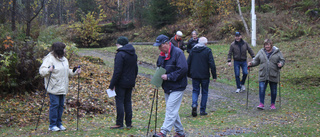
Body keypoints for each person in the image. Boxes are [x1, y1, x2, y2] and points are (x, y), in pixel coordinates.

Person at [39, 42, 81, 131]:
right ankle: (52, 125)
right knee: (55, 105)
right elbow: (42, 71)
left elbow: (66, 72)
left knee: (61, 105)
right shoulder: (49, 59)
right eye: (64, 49)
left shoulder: (64, 59)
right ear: (59, 49)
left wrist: (75, 71)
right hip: (53, 87)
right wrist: (48, 70)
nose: (65, 50)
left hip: (63, 87)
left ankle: (59, 123)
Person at [153, 34, 187, 137]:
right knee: (172, 109)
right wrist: (157, 80)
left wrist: (169, 77)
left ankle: (163, 131)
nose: (159, 48)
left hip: (178, 86)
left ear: (166, 44)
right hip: (167, 87)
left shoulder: (178, 53)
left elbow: (183, 69)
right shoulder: (162, 55)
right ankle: (180, 132)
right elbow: (159, 67)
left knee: (171, 109)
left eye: (160, 46)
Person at [109, 36, 138, 129]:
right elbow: (136, 69)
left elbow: (117, 71)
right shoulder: (133, 54)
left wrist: (112, 84)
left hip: (121, 83)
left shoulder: (120, 54)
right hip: (130, 82)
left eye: (117, 43)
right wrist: (133, 79)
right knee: (128, 102)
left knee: (120, 102)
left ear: (119, 44)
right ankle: (129, 123)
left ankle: (119, 123)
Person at [248, 39, 285, 110]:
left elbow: (282, 60)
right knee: (261, 89)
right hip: (263, 74)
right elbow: (256, 60)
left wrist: (281, 64)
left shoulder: (277, 52)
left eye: (268, 45)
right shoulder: (261, 52)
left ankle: (272, 104)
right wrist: (251, 64)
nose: (267, 46)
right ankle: (261, 104)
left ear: (271, 45)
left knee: (273, 90)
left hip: (273, 74)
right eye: (265, 45)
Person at [187, 37, 217, 117]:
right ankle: (202, 110)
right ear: (205, 44)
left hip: (195, 74)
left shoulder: (193, 50)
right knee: (204, 92)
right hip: (204, 75)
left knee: (195, 91)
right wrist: (214, 75)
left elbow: (188, 62)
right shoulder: (207, 51)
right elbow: (212, 63)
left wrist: (188, 73)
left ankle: (194, 104)